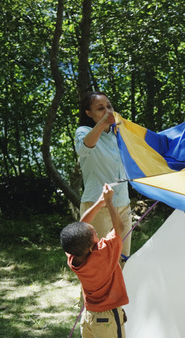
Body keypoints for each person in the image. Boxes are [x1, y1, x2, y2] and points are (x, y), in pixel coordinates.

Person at [59, 184, 138, 338]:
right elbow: (120, 227)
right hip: (108, 315)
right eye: (93, 232)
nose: (94, 229)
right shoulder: (104, 253)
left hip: (89, 316)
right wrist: (110, 203)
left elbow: (82, 224)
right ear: (92, 242)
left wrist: (99, 203)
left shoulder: (74, 258)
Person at [75, 91, 133, 262]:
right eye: (100, 108)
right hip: (97, 206)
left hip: (123, 205)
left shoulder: (119, 134)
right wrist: (102, 123)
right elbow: (83, 149)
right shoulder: (84, 131)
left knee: (122, 258)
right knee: (98, 261)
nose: (107, 111)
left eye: (109, 106)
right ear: (88, 113)